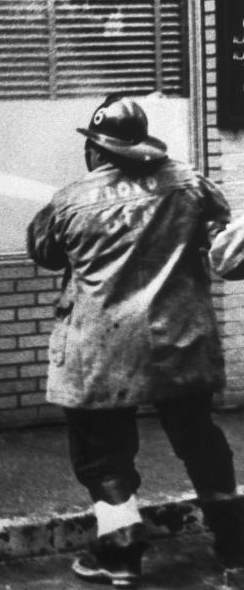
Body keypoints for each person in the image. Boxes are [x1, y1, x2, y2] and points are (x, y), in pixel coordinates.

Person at [27, 95, 244, 587]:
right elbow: (221, 237)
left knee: (102, 453)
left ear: (96, 150)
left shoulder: (68, 200)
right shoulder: (188, 183)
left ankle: (121, 556)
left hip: (101, 348)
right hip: (180, 341)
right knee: (201, 442)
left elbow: (46, 253)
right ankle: (236, 550)